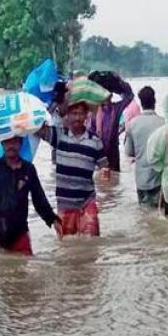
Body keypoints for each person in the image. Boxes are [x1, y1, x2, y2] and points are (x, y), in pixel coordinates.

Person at [0, 133, 62, 255]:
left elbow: (38, 199)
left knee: (23, 269)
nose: (11, 146)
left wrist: (53, 220)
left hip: (20, 233)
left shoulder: (28, 169)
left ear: (21, 144)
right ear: (2, 144)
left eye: (15, 142)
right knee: (0, 270)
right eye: (8, 142)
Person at [37, 78, 111, 236]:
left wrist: (105, 171)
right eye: (74, 113)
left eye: (81, 113)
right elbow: (38, 128)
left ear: (87, 116)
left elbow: (104, 165)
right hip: (65, 204)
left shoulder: (95, 141)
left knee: (92, 243)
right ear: (67, 116)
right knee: (67, 246)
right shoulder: (58, 136)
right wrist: (57, 102)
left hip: (87, 201)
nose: (77, 117)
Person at [124, 86, 165, 207]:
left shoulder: (132, 124)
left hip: (141, 180)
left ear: (141, 103)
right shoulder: (164, 123)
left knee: (144, 217)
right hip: (160, 179)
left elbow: (129, 152)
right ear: (155, 101)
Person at [88, 71, 134, 172]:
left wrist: (119, 81)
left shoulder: (115, 109)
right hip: (96, 156)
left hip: (112, 156)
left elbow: (130, 96)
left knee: (113, 183)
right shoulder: (92, 110)